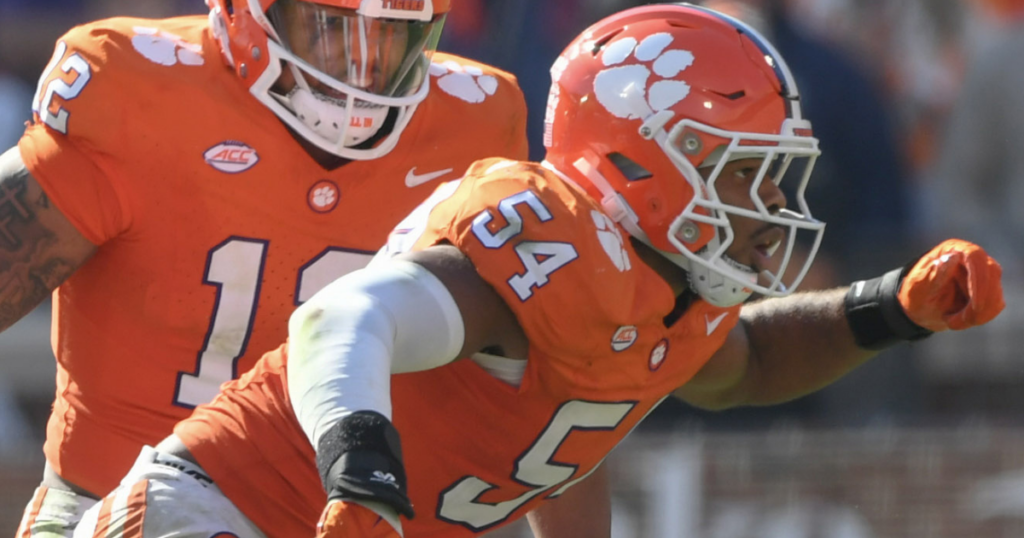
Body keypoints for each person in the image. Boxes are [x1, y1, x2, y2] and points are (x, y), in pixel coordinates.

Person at [73, 4, 1005, 538]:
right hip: (219, 511)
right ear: (635, 162)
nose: (763, 200)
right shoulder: (548, 239)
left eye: (769, 169)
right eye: (735, 169)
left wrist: (888, 311)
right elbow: (343, 321)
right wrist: (358, 473)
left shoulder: (665, 290)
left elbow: (744, 367)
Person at [3, 0, 532, 536]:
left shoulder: (477, 122)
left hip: (335, 516)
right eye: (328, 27)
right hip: (108, 506)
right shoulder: (138, 86)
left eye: (391, 36)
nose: (361, 63)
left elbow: (557, 363)